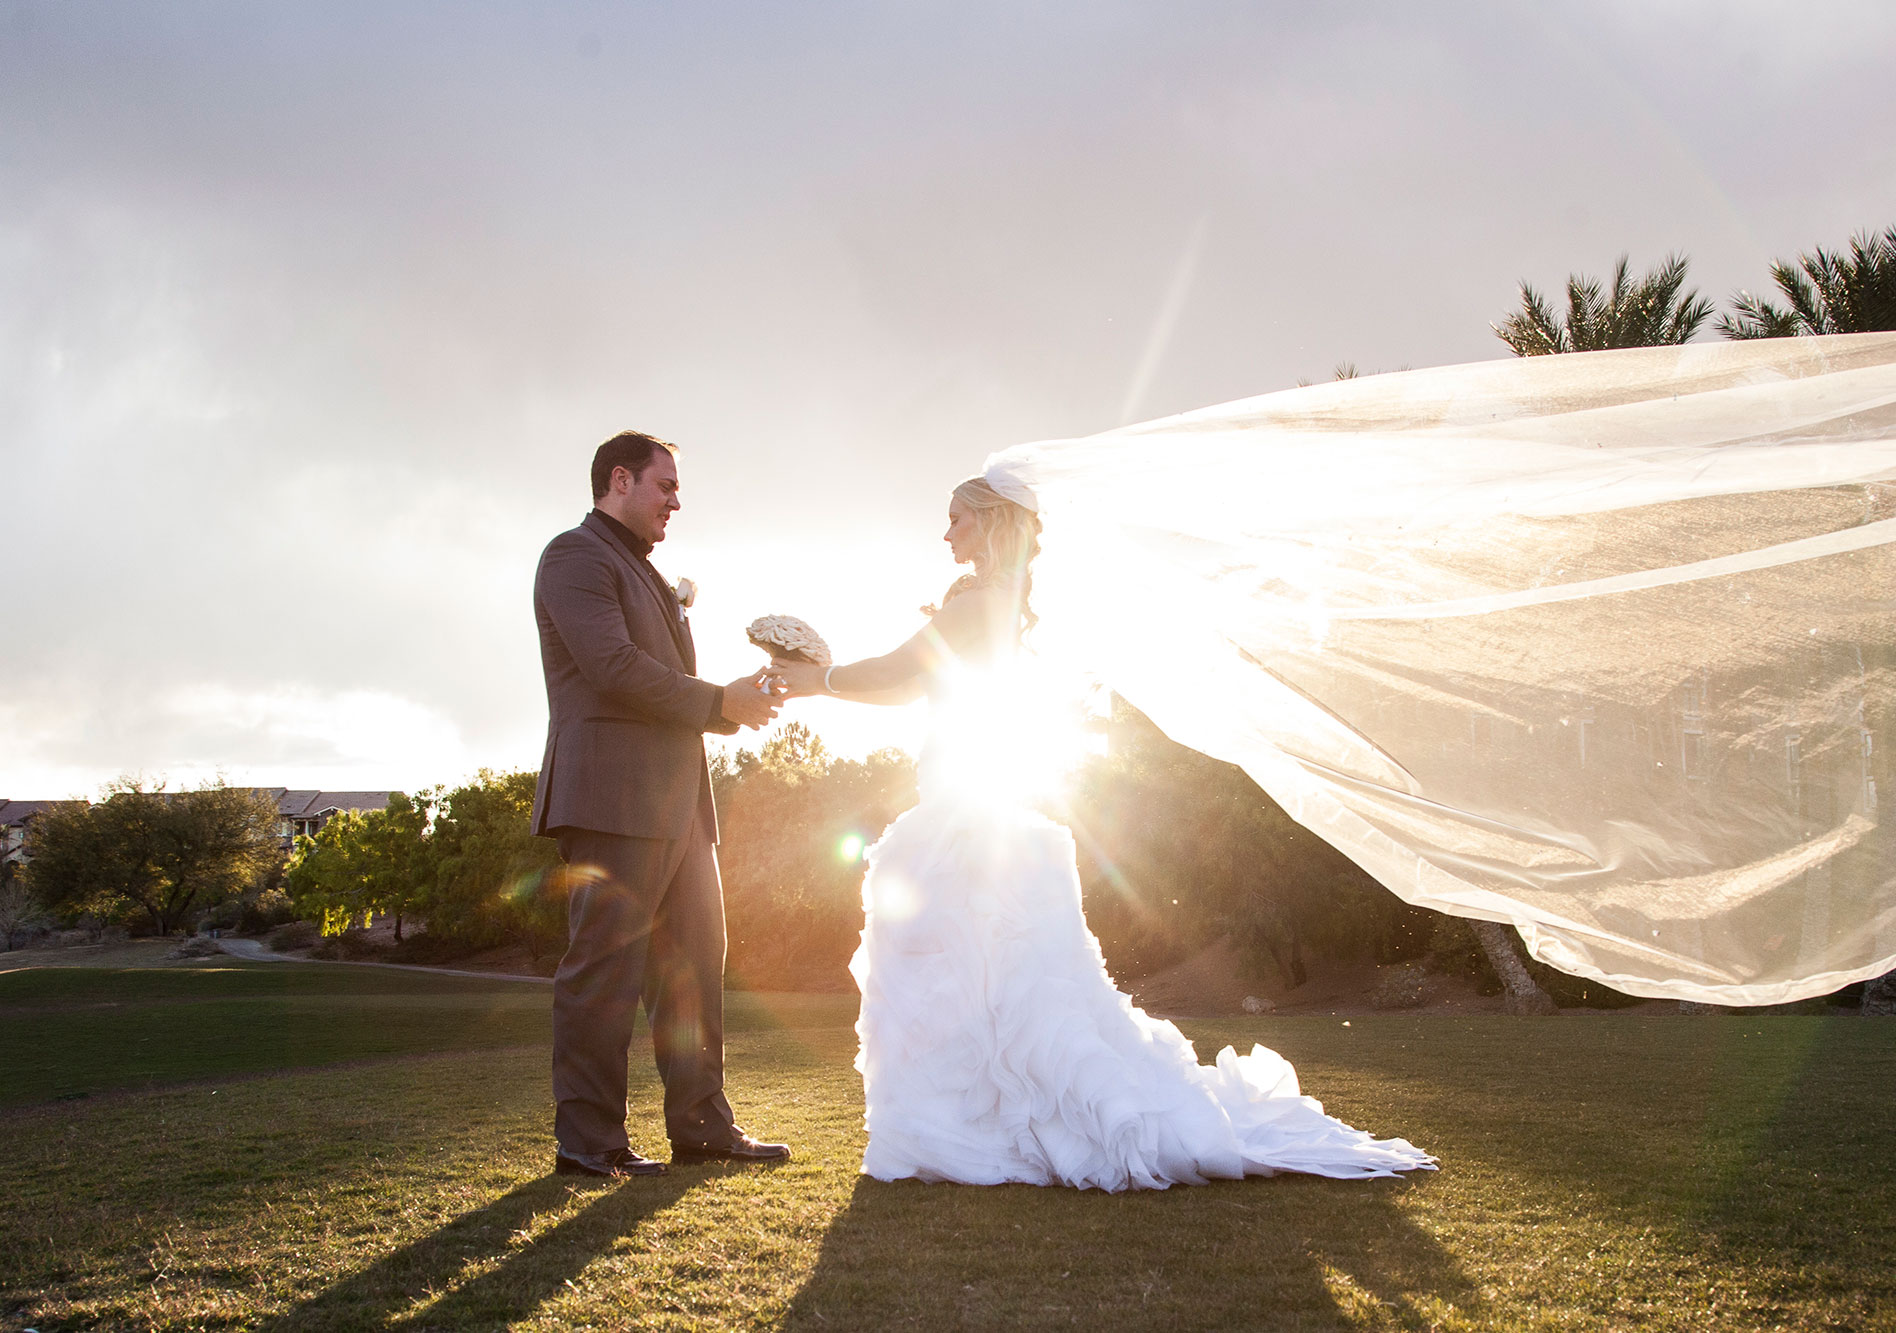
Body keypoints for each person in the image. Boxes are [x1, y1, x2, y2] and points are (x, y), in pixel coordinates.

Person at [768, 476, 1435, 1190]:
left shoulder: (977, 605)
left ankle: (981, 1123)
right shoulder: (993, 605)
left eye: (957, 517)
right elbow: (908, 686)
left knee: (972, 970)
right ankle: (978, 1120)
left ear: (990, 522)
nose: (946, 532)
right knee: (986, 976)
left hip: (966, 807)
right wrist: (829, 678)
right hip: (977, 795)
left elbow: (899, 671)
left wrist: (817, 679)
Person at [531, 430, 791, 1177]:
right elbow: (612, 668)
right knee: (604, 970)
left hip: (681, 807)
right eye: (665, 485)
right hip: (612, 798)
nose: (677, 500)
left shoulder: (647, 572)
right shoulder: (574, 556)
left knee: (695, 964)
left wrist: (744, 695)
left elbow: (661, 679)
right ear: (620, 479)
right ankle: (589, 1141)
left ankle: (702, 1124)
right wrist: (721, 701)